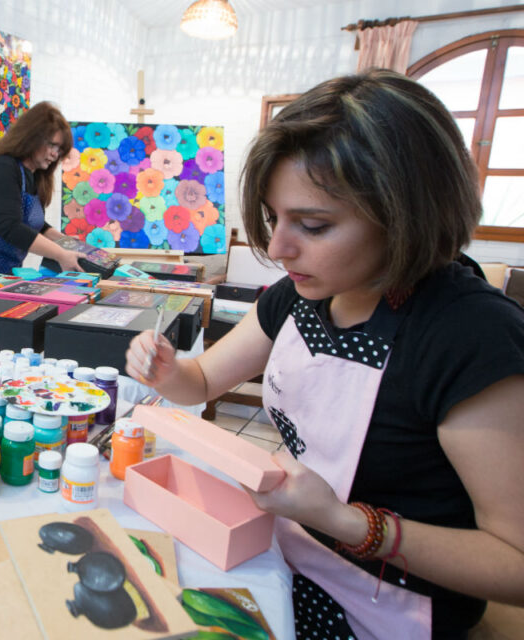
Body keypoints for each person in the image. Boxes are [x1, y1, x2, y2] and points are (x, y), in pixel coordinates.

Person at [125, 69, 524, 639]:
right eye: (274, 218)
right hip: (290, 548)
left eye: (312, 225)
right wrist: (168, 371)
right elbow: (203, 380)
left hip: (388, 603)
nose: (277, 247)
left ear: (406, 215)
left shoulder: (469, 335)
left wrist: (345, 521)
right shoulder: (300, 294)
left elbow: (515, 562)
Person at [0, 101, 83, 277]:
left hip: (3, 267)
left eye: (59, 149)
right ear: (32, 136)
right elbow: (9, 226)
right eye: (52, 145)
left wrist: (63, 240)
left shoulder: (33, 175)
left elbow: (32, 224)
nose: (55, 154)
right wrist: (60, 254)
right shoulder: (0, 167)